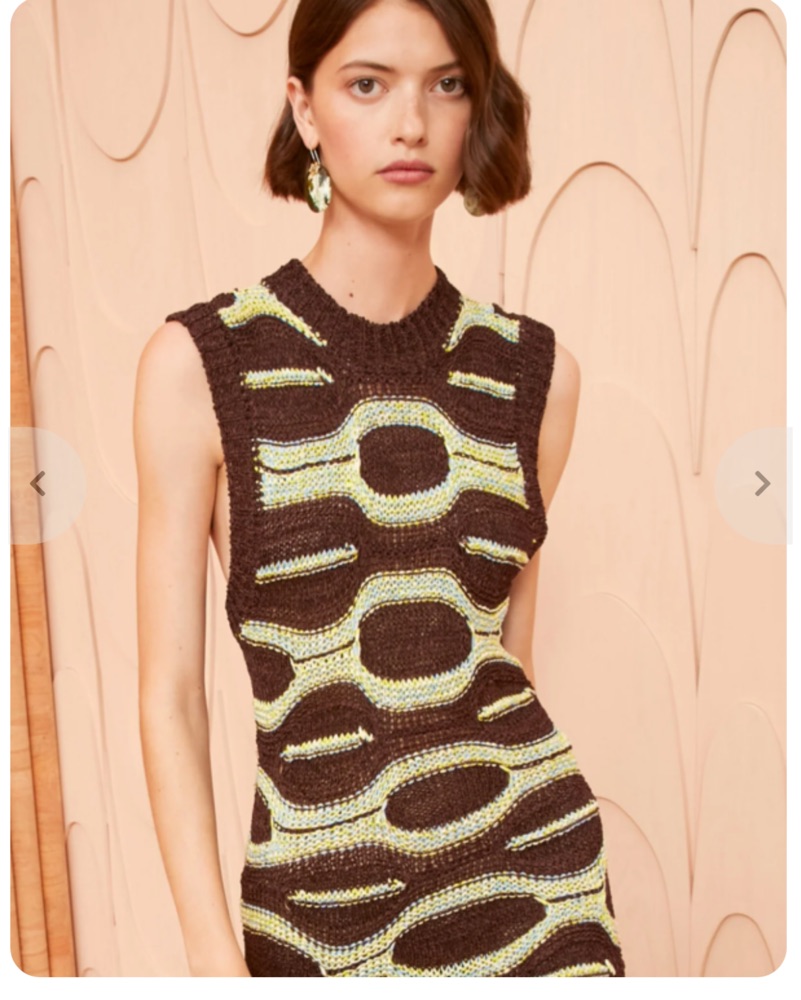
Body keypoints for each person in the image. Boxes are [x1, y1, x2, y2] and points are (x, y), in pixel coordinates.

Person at [135, 0, 626, 978]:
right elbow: (171, 698)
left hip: (540, 904)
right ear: (304, 109)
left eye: (447, 85)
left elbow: (507, 666)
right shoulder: (199, 366)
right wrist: (212, 962)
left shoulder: (536, 375)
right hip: (319, 923)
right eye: (368, 84)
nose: (411, 123)